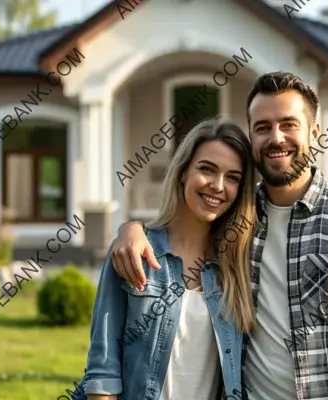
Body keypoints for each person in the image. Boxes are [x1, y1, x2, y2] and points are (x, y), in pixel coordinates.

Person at [110, 72, 328, 400]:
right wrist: (131, 229)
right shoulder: (235, 218)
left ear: (315, 132)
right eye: (263, 127)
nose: (276, 138)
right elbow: (182, 229)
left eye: (289, 124)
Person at [80, 118, 258, 400]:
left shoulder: (237, 266)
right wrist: (130, 228)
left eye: (233, 177)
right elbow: (103, 373)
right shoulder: (133, 253)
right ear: (183, 172)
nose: (217, 185)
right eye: (206, 169)